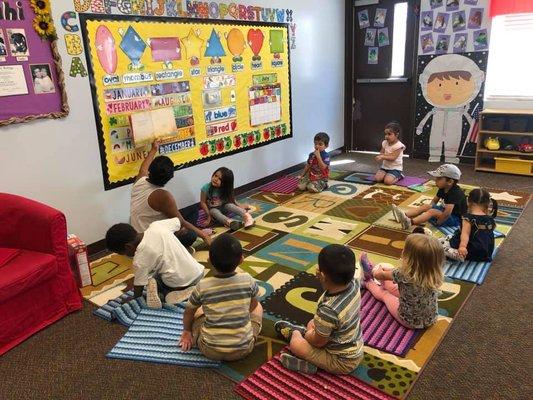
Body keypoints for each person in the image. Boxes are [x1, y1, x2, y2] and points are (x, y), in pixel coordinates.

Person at [274, 244, 364, 374]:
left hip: (342, 362)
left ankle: (300, 342)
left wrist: (309, 334)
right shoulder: (354, 284)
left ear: (321, 275)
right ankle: (306, 335)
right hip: (354, 347)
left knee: (297, 345)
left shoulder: (329, 310)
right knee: (313, 324)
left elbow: (318, 342)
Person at [178, 233, 263, 361]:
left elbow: (188, 312)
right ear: (241, 259)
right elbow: (253, 306)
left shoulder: (202, 285)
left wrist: (187, 332)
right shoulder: (248, 280)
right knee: (259, 307)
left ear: (209, 261)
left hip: (209, 350)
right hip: (243, 348)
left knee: (198, 312)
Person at [105, 219, 205, 308]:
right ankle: (190, 289)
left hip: (178, 283)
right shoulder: (157, 225)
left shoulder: (140, 259)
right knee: (159, 271)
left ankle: (171, 294)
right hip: (198, 272)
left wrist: (135, 299)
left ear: (128, 247)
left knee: (154, 279)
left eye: (123, 253)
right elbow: (178, 221)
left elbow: (139, 285)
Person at [131, 140, 211, 249]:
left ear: (150, 171)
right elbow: (181, 222)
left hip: (138, 234)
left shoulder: (140, 181)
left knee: (192, 210)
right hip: (151, 242)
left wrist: (154, 149)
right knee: (190, 235)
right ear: (170, 178)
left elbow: (143, 168)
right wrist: (203, 235)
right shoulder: (163, 196)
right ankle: (172, 247)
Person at [359, 234, 444, 329]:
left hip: (409, 320)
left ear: (409, 257)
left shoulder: (403, 274)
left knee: (385, 294)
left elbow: (380, 275)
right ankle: (372, 270)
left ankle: (367, 282)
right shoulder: (435, 275)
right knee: (395, 285)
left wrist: (375, 270)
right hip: (430, 318)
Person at [393, 164, 466, 230]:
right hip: (444, 211)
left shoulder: (455, 193)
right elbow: (434, 201)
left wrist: (438, 222)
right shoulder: (443, 188)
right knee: (426, 206)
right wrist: (429, 209)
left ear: (450, 182)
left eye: (439, 179)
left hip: (455, 218)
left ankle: (410, 223)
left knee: (432, 211)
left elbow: (447, 213)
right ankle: (404, 216)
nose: (435, 181)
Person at [440, 188, 497, 262]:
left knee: (438, 246)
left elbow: (465, 234)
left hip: (470, 251)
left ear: (468, 201)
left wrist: (462, 247)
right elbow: (490, 232)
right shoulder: (489, 218)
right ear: (487, 203)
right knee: (448, 237)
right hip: (486, 252)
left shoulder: (468, 218)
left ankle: (458, 255)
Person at [200, 167, 254, 231]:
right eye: (215, 175)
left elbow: (231, 198)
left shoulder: (225, 188)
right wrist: (208, 215)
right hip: (213, 209)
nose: (216, 179)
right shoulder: (206, 187)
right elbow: (202, 202)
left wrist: (239, 205)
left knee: (230, 205)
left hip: (225, 207)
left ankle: (247, 217)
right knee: (213, 211)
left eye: (220, 179)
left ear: (225, 183)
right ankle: (230, 223)